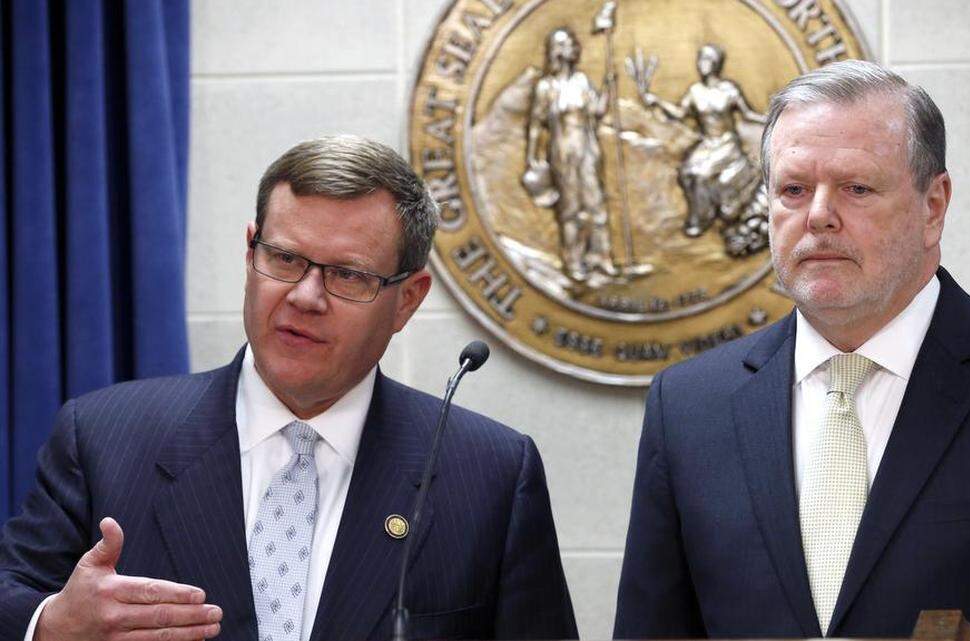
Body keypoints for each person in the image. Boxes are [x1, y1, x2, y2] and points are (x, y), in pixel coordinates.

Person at [613, 60, 970, 641]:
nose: (819, 216)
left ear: (933, 206)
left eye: (856, 188)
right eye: (793, 190)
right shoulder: (688, 405)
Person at [0, 135, 578, 641]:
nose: (305, 297)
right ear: (251, 251)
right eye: (284, 258)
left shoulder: (492, 474)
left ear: (407, 299)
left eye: (348, 274)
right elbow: (11, 593)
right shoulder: (104, 437)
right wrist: (51, 625)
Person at [635, 43, 769, 252]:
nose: (701, 64)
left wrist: (771, 119)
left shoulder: (729, 90)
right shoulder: (695, 91)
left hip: (726, 144)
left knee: (700, 173)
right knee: (686, 173)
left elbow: (747, 114)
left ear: (716, 63)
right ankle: (700, 213)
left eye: (706, 59)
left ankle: (702, 219)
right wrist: (656, 101)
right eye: (700, 59)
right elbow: (680, 113)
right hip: (708, 144)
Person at [524, 26, 618, 283]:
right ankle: (574, 261)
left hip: (588, 149)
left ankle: (602, 258)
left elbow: (597, 111)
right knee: (570, 208)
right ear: (556, 50)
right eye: (565, 43)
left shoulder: (582, 81)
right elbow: (535, 124)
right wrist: (532, 156)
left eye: (571, 43)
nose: (572, 47)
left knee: (596, 203)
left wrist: (608, 87)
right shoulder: (546, 87)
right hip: (563, 152)